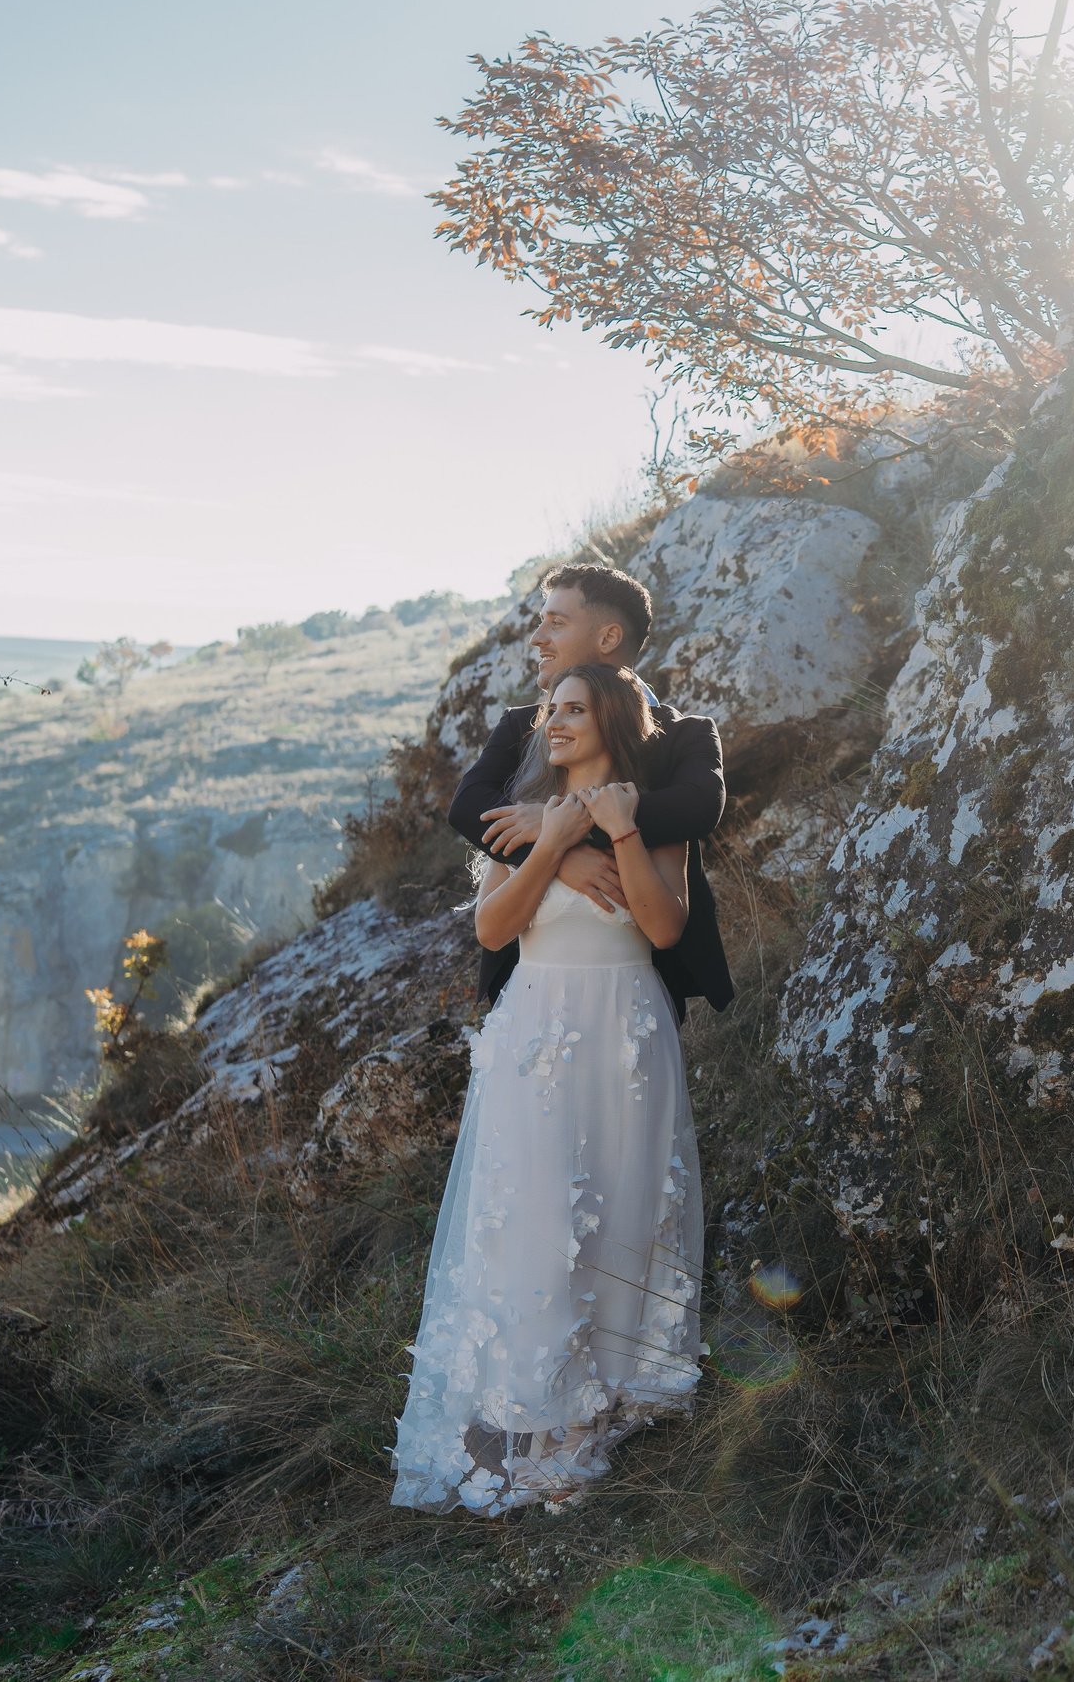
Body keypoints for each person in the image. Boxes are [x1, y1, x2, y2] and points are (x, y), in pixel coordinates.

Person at [391, 662, 705, 1514]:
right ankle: (532, 1405)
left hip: (625, 1028)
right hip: (536, 1029)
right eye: (552, 709)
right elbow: (494, 927)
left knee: (624, 1204)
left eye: (574, 709)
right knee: (533, 1214)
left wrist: (621, 831)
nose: (554, 721)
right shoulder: (525, 809)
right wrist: (554, 845)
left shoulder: (649, 812)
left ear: (612, 719)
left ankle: (598, 1410)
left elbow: (664, 926)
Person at [446, 563, 732, 1019]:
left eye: (556, 623)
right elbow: (468, 807)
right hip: (531, 992)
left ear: (608, 638)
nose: (537, 638)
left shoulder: (685, 734)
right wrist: (560, 852)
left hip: (640, 995)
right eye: (541, 622)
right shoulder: (523, 726)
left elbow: (699, 807)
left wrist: (569, 824)